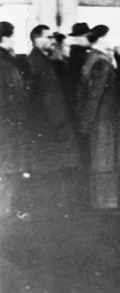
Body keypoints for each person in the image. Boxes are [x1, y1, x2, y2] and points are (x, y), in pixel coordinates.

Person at [24, 24, 79, 212]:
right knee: (48, 170)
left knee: (50, 169)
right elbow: (49, 99)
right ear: (37, 39)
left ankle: (50, 209)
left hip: (46, 125)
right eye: (48, 37)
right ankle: (49, 211)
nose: (52, 41)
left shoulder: (40, 61)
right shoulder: (39, 63)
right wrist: (61, 124)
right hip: (48, 126)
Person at [77, 25, 120, 211]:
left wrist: (85, 120)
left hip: (99, 117)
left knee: (101, 160)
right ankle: (107, 203)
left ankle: (101, 202)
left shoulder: (91, 58)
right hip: (105, 118)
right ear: (102, 39)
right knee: (107, 160)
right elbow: (95, 94)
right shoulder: (102, 62)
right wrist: (88, 120)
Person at [0, 21, 28, 217]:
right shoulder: (7, 65)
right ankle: (5, 212)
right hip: (8, 124)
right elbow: (16, 95)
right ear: (7, 38)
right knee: (10, 168)